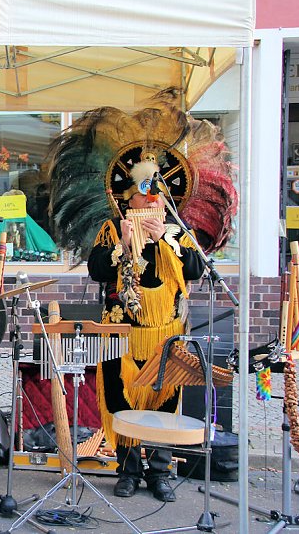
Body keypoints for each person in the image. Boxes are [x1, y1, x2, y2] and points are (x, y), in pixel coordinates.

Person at [88, 155, 204, 502]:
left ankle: (159, 473)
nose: (152, 201)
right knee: (121, 400)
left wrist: (165, 240)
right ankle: (127, 471)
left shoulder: (179, 231)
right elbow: (96, 269)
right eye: (144, 195)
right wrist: (123, 246)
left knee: (163, 403)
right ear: (130, 201)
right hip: (122, 333)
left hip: (165, 335)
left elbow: (196, 269)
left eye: (157, 196)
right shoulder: (113, 229)